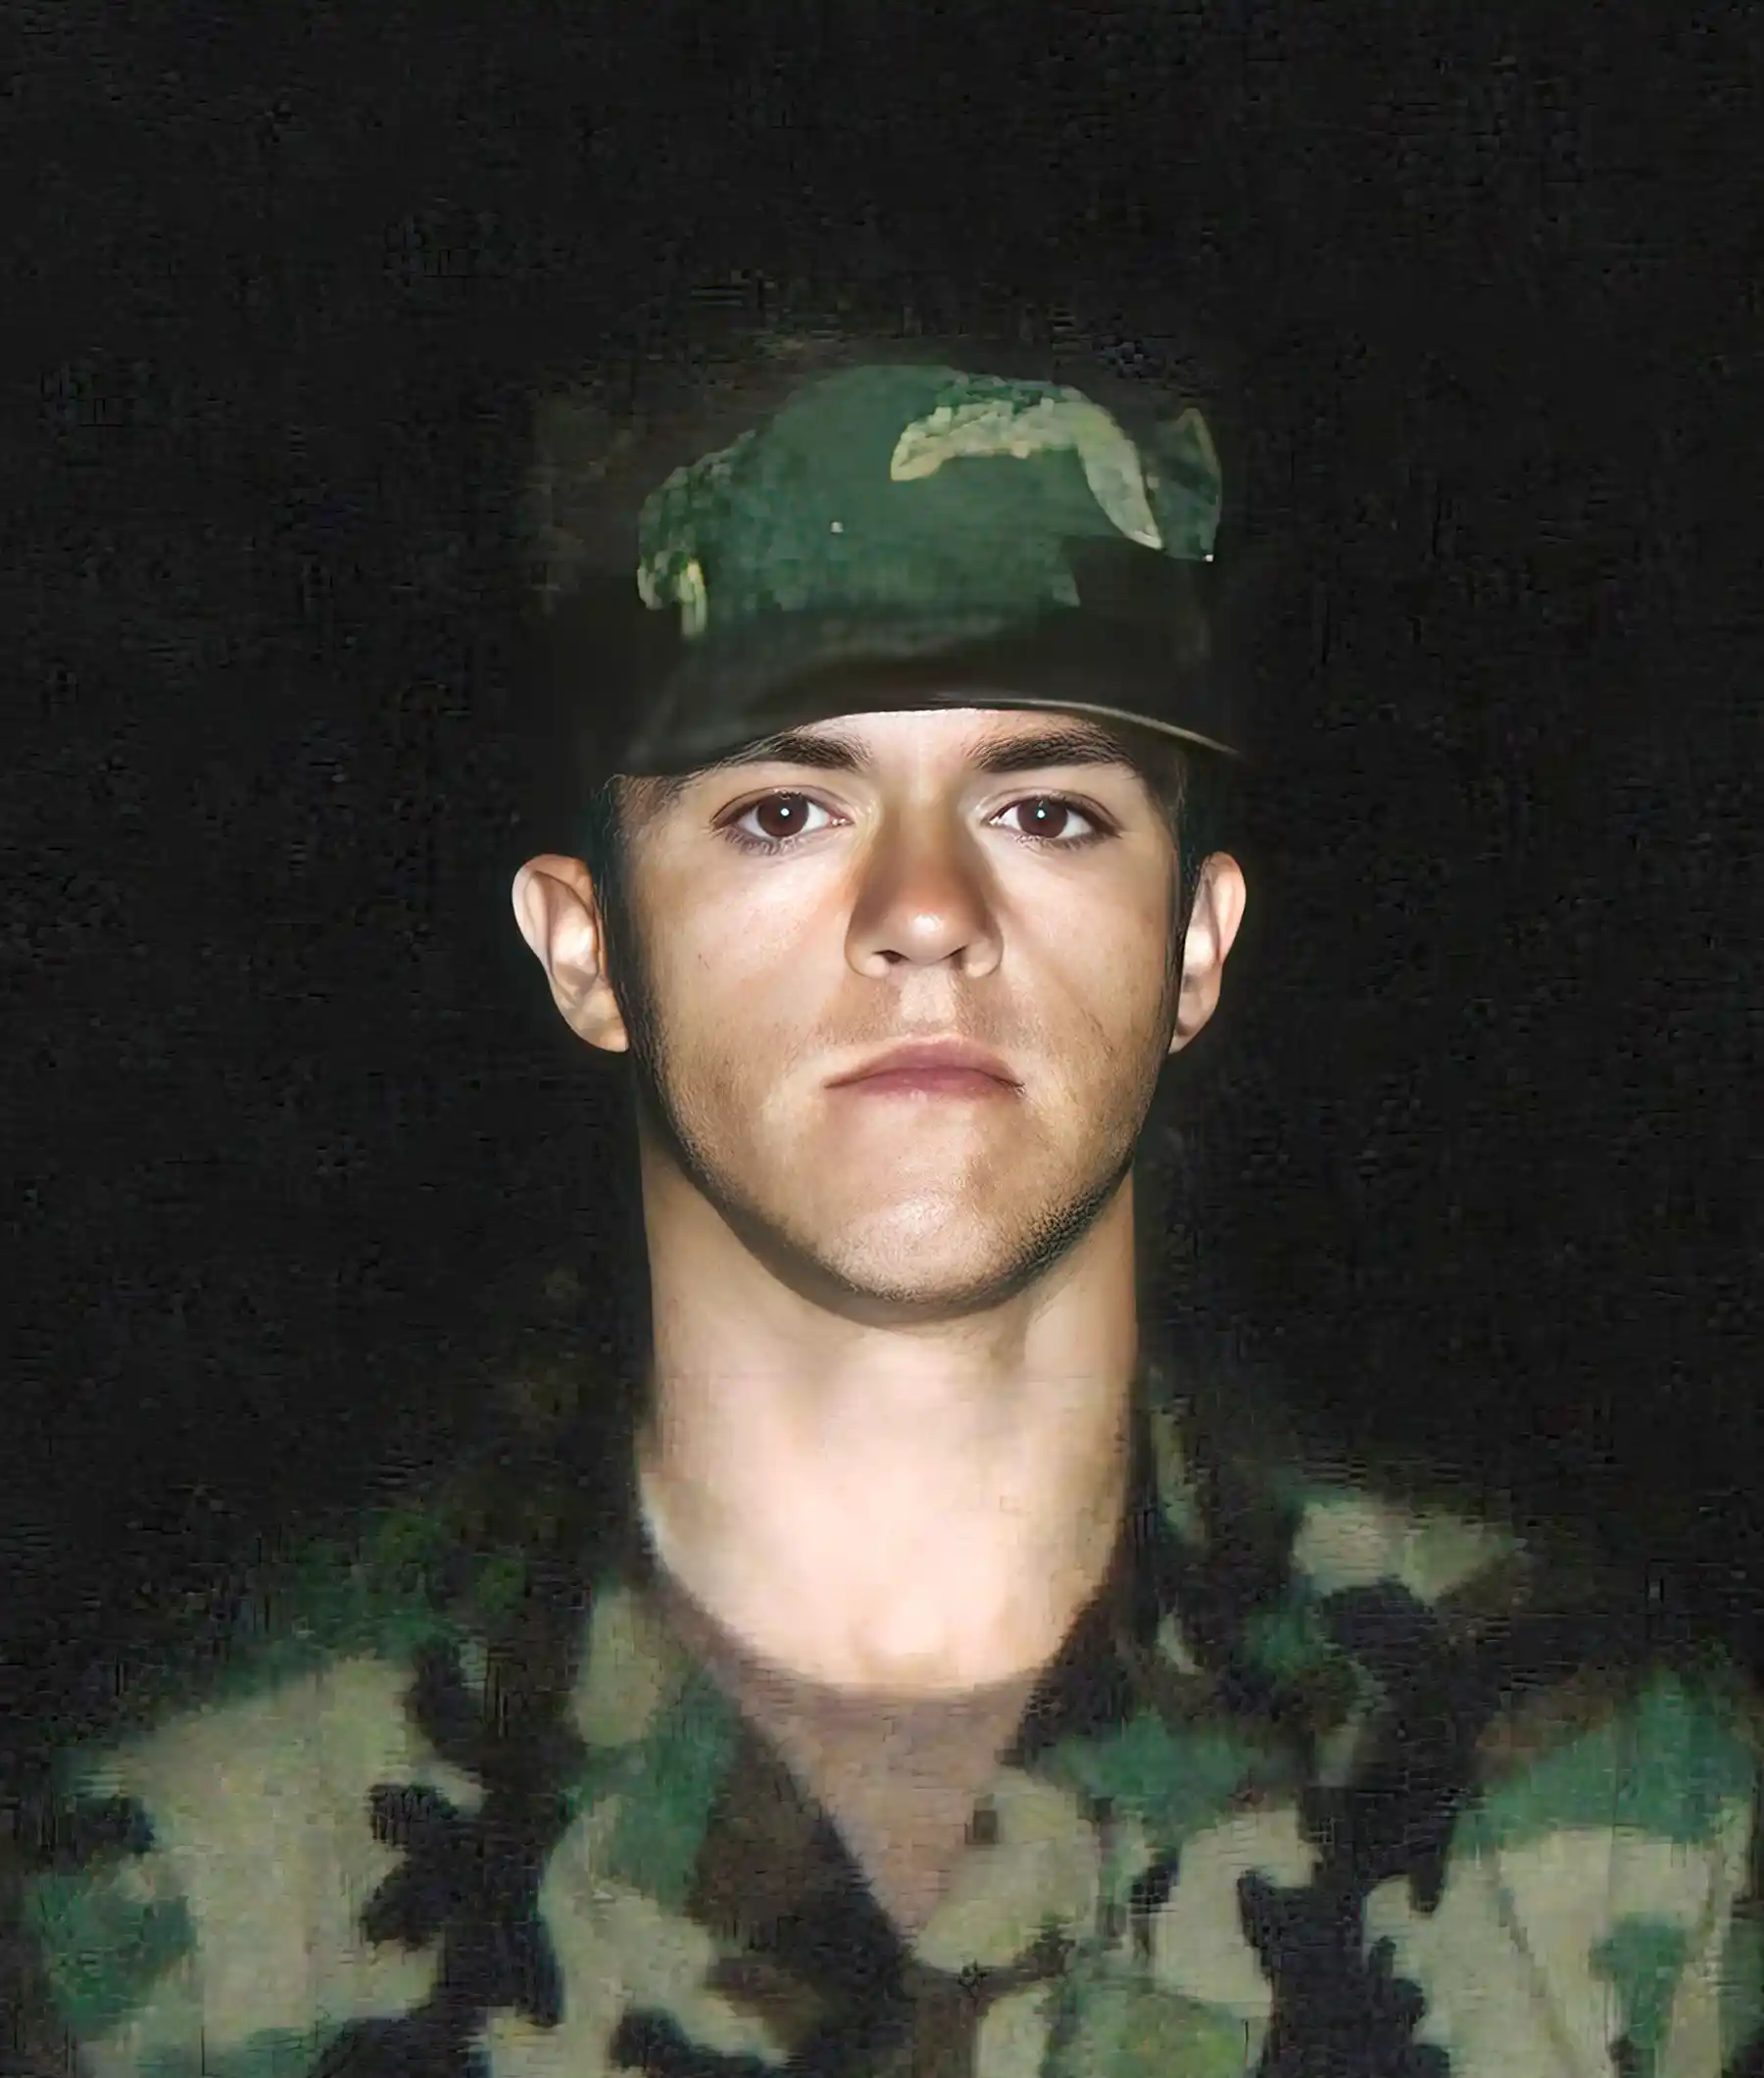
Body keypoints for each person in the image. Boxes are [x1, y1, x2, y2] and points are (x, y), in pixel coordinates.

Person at [6, 299, 1761, 2078]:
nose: (927, 910)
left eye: (1047, 809)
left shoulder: (1634, 1834)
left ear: (1197, 949)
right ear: (586, 944)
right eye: (784, 807)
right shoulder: (188, 1901)